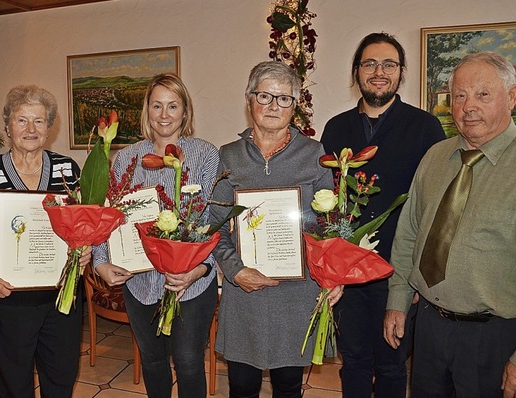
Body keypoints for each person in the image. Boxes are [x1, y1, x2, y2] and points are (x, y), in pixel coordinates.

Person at [384, 51, 516, 397]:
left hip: (495, 337)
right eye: (459, 95)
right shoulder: (436, 156)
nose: (468, 106)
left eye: (483, 95)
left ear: (512, 98)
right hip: (429, 326)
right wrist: (398, 299)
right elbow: (410, 233)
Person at [320, 32, 445, 397]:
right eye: (370, 63)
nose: (379, 71)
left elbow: (435, 207)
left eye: (388, 64)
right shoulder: (336, 128)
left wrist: (418, 275)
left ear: (401, 72)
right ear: (356, 71)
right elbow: (325, 200)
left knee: (393, 366)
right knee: (354, 361)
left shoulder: (425, 128)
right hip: (349, 273)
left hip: (398, 272)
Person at [209, 61, 343, 398]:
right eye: (265, 96)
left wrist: (333, 275)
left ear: (294, 106)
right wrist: (235, 271)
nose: (273, 106)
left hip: (296, 293)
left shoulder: (314, 155)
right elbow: (215, 224)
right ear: (249, 99)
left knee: (288, 385)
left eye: (284, 99)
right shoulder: (228, 156)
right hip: (245, 292)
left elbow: (331, 225)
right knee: (241, 385)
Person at [92, 73, 219, 398]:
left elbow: (212, 220)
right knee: (152, 361)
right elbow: (111, 214)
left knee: (190, 363)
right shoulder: (127, 157)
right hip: (141, 283)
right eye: (157, 105)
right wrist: (101, 262)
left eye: (172, 106)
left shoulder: (205, 154)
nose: (164, 114)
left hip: (190, 282)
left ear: (185, 111)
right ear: (147, 110)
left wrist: (199, 269)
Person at [0, 85, 86, 398]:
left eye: (39, 121)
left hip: (61, 297)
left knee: (61, 380)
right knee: (14, 385)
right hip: (6, 297)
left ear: (49, 127)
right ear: (8, 126)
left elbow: (80, 228)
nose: (30, 129)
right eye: (22, 120)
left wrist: (83, 251)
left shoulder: (68, 170)